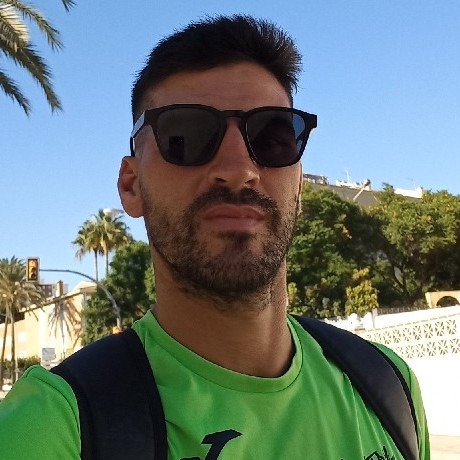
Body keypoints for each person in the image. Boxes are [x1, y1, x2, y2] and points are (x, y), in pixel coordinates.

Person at [0, 15, 430, 459]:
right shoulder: (52, 425)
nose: (239, 169)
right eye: (185, 136)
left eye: (272, 137)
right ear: (131, 185)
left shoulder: (390, 388)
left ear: (299, 186)